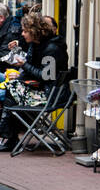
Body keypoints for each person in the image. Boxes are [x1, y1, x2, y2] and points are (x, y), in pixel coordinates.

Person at [0, 13, 67, 152]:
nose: (22, 34)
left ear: (34, 31)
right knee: (10, 88)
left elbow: (46, 76)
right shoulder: (39, 45)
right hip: (44, 90)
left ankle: (7, 134)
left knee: (10, 90)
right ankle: (8, 134)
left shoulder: (52, 49)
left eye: (25, 31)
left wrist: (24, 65)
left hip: (50, 96)